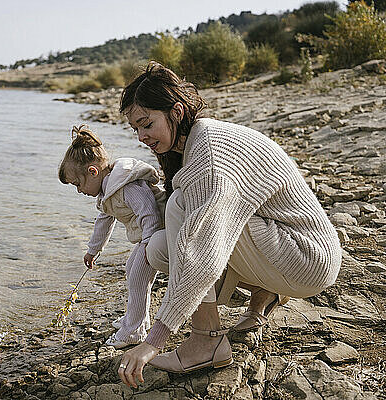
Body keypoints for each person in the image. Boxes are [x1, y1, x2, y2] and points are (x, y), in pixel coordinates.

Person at [115, 62, 342, 388]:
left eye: (147, 124)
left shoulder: (208, 148)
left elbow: (203, 247)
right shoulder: (196, 140)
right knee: (161, 247)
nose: (141, 137)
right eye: (135, 129)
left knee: (184, 210)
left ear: (176, 111)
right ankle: (264, 295)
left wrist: (154, 339)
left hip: (306, 257)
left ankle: (206, 341)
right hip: (290, 252)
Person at [59, 124, 166, 348]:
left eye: (78, 184)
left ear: (92, 171)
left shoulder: (127, 184)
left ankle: (133, 332)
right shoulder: (108, 191)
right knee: (131, 270)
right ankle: (138, 320)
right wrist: (93, 250)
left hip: (161, 232)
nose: (79, 191)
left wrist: (148, 244)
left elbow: (149, 212)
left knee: (138, 277)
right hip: (150, 236)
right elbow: (104, 221)